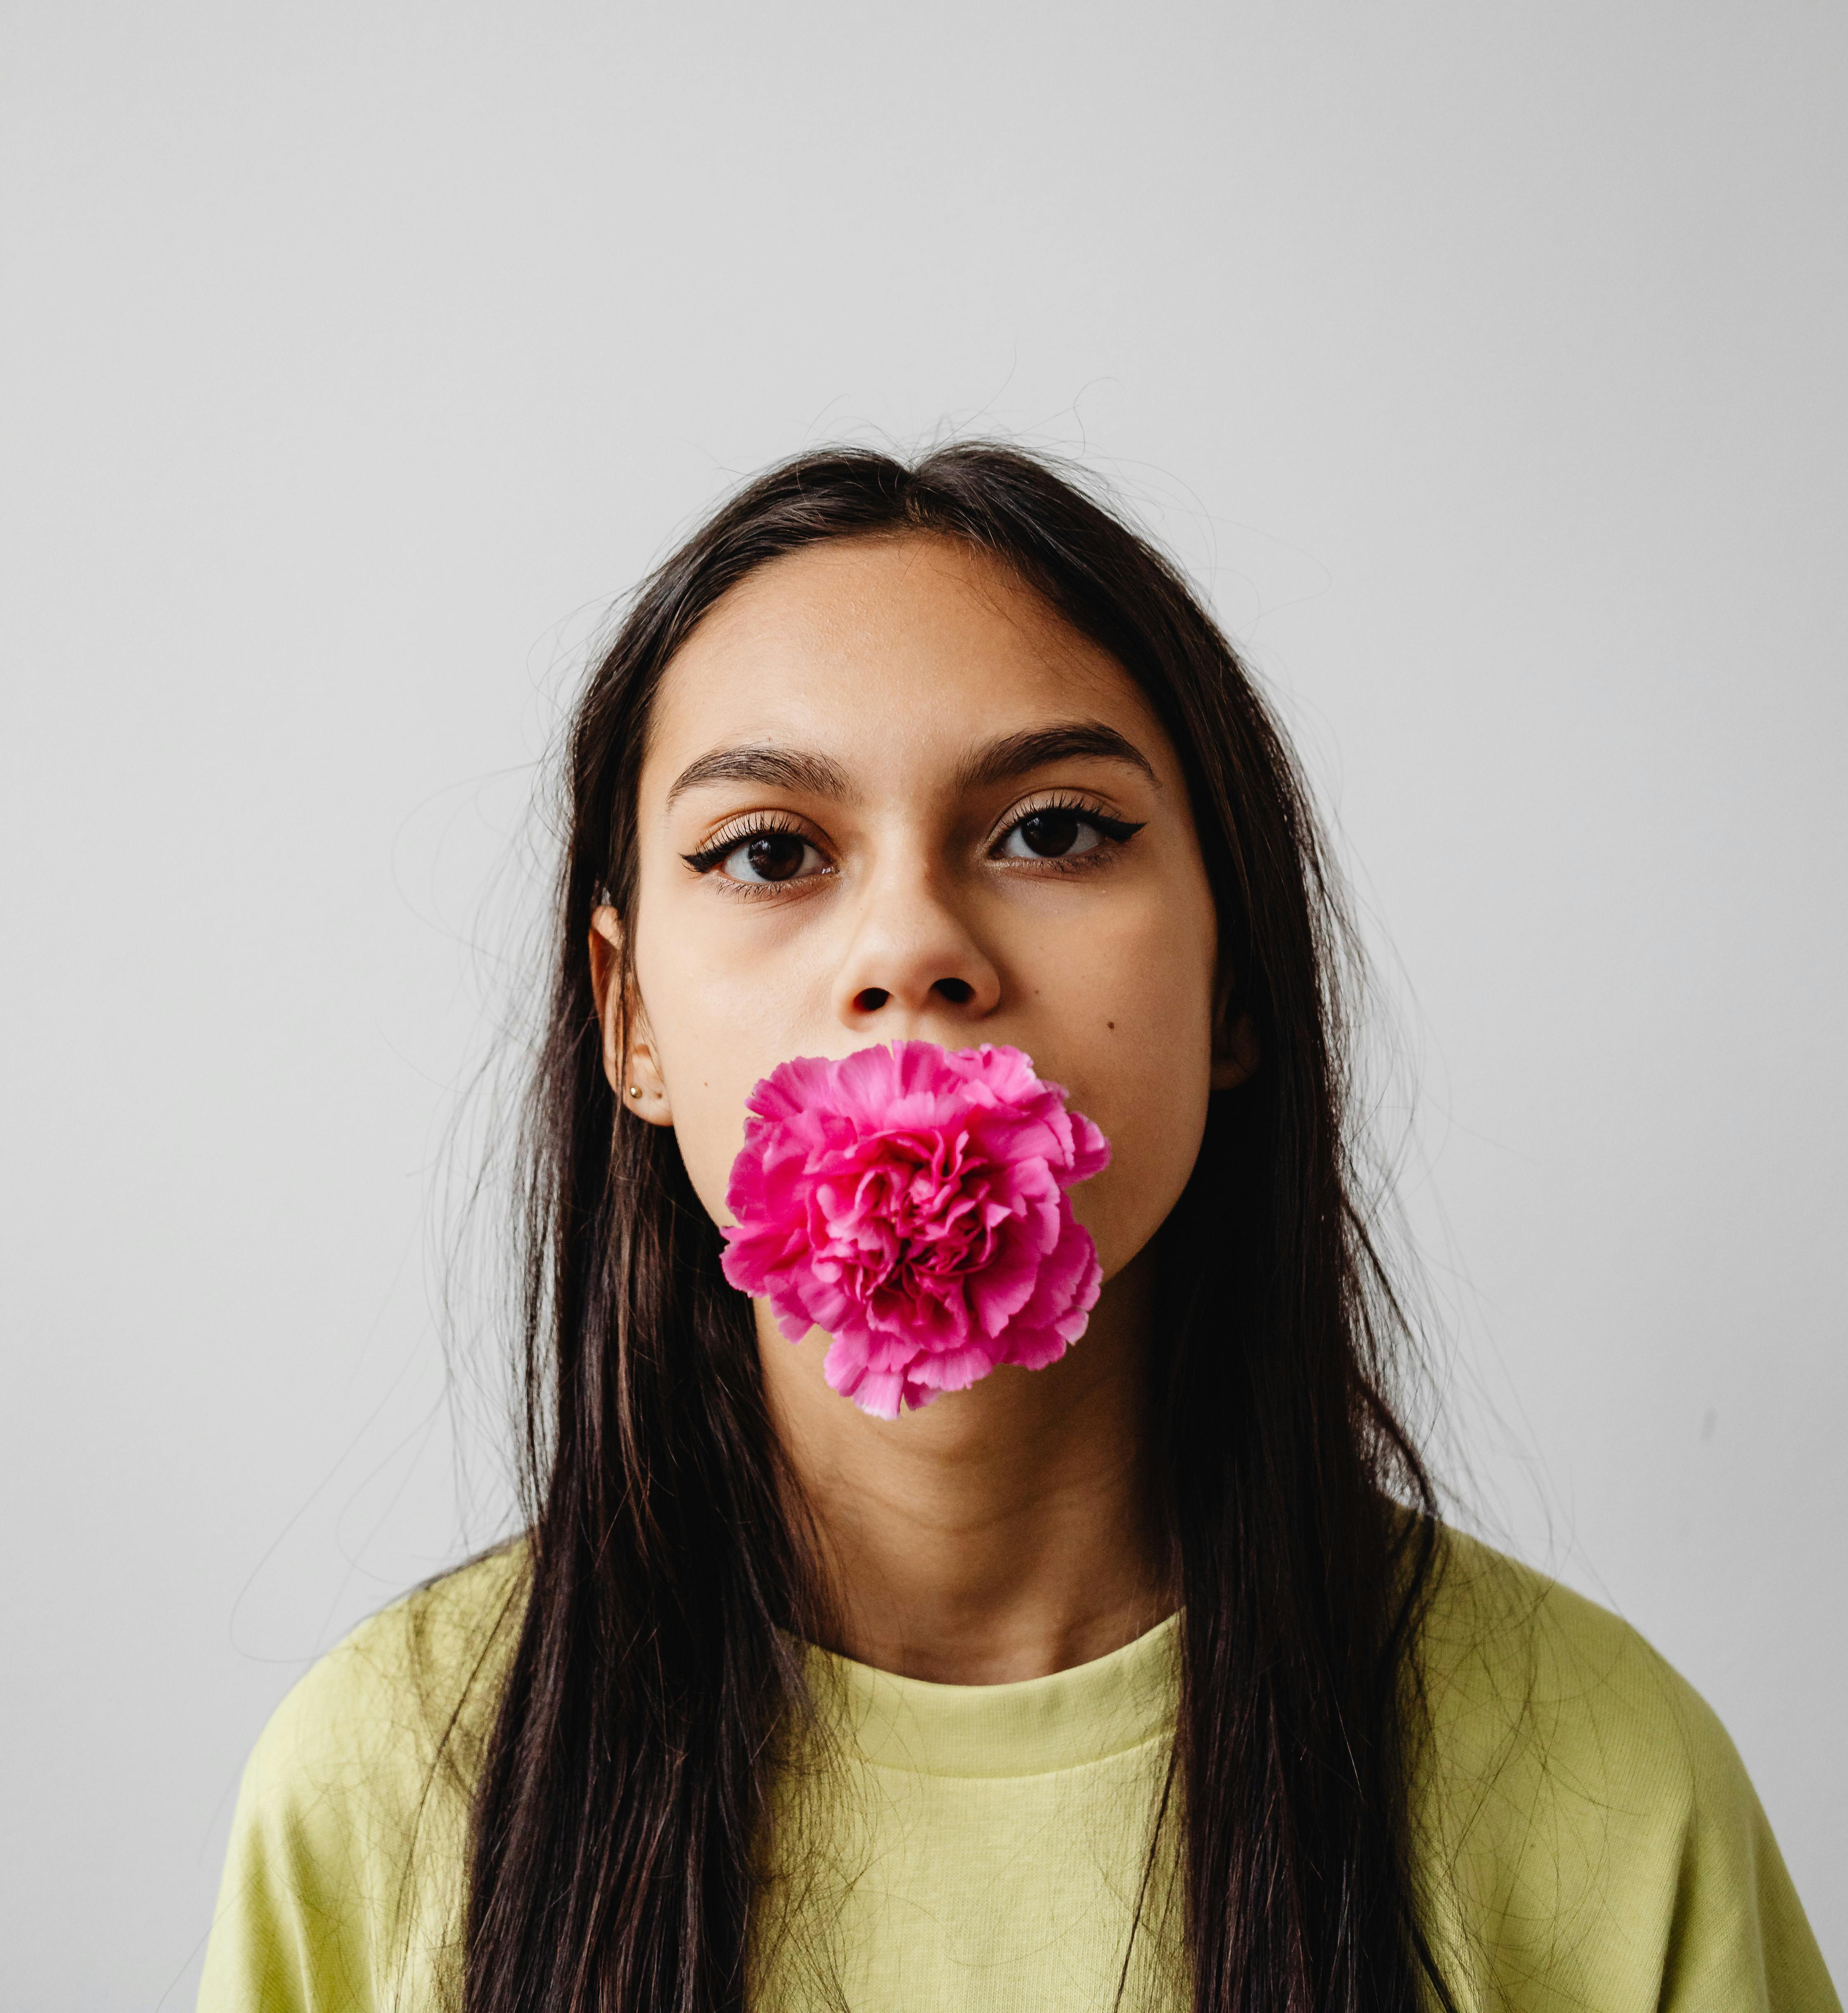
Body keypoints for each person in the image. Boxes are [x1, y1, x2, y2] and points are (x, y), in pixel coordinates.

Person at [199, 444, 1837, 2013]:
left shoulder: (1608, 1790)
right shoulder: (382, 1797)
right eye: (771, 852)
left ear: (1233, 991)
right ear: (630, 1021)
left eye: (1053, 829)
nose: (912, 947)